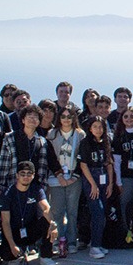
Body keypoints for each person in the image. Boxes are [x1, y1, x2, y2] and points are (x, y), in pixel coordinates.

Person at [0, 161, 56, 265]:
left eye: (29, 173)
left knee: (47, 222)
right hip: (13, 232)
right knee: (6, 255)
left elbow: (46, 208)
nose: (26, 176)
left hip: (30, 229)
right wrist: (12, 245)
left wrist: (52, 223)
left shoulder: (36, 189)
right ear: (17, 175)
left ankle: (45, 256)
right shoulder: (7, 194)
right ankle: (18, 252)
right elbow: (5, 222)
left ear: (33, 176)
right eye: (22, 174)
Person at [45, 107, 83, 256]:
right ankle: (58, 240)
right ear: (58, 118)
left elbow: (82, 157)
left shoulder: (80, 135)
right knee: (57, 211)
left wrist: (74, 176)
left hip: (74, 177)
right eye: (63, 116)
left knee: (72, 211)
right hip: (56, 178)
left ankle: (72, 241)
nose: (66, 119)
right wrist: (59, 175)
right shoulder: (52, 134)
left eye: (69, 116)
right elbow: (50, 157)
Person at [0, 104, 59, 196]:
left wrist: (42, 187)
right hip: (13, 185)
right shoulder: (10, 138)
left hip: (35, 187)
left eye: (36, 117)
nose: (32, 119)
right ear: (23, 120)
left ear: (39, 122)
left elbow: (43, 166)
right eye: (29, 116)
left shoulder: (42, 141)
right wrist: (1, 187)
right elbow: (4, 164)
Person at [78, 116, 114, 259]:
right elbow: (83, 165)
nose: (98, 130)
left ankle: (98, 243)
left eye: (101, 127)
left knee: (103, 213)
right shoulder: (85, 143)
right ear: (90, 128)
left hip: (104, 177)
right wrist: (92, 184)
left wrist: (110, 183)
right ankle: (94, 247)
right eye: (95, 127)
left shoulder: (106, 142)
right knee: (97, 212)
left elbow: (109, 163)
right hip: (91, 178)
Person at [112, 107, 133, 238]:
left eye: (132, 116)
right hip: (125, 178)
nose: (129, 119)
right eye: (126, 116)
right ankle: (125, 233)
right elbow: (116, 161)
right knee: (124, 205)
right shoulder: (118, 136)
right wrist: (118, 181)